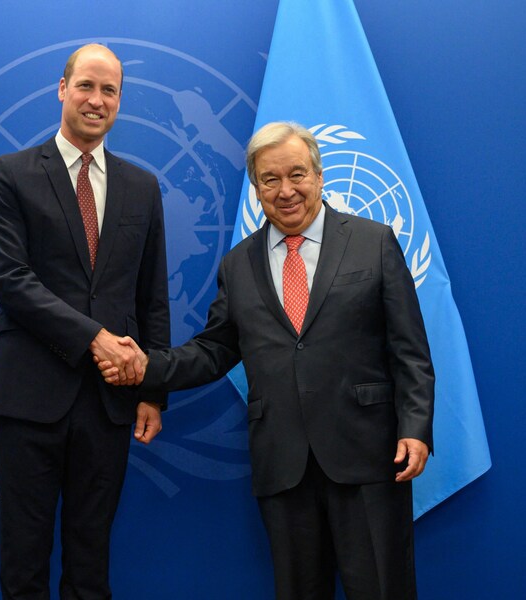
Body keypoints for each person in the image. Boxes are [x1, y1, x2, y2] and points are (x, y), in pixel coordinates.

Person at [98, 122, 434, 599]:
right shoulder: (238, 265)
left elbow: (411, 351)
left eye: (297, 174)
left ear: (319, 176)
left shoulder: (373, 242)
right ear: (256, 189)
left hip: (369, 456)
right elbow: (214, 350)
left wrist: (415, 427)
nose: (286, 190)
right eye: (270, 179)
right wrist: (146, 366)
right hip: (284, 462)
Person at [0, 43, 170, 600]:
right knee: (24, 563)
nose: (96, 99)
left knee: (91, 565)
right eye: (86, 85)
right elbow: (10, 280)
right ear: (62, 89)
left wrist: (154, 391)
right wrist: (96, 340)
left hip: (109, 404)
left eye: (110, 90)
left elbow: (152, 296)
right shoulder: (10, 173)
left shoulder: (142, 186)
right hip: (27, 398)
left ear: (119, 102)